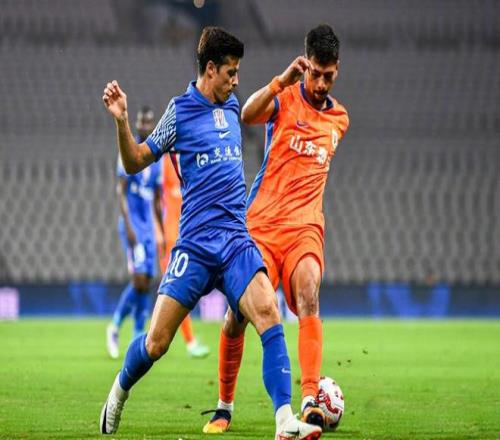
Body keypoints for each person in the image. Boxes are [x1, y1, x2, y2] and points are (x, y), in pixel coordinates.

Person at [99, 26, 322, 440]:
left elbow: (255, 107)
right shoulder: (179, 111)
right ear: (210, 69)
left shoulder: (233, 104)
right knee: (157, 343)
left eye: (238, 72)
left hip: (236, 240)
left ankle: (285, 419)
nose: (236, 80)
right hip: (196, 245)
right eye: (230, 72)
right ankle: (118, 393)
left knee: (269, 313)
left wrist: (283, 81)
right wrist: (123, 121)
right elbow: (135, 161)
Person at [203, 24, 349, 433]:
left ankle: (310, 400)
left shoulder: (340, 119)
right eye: (315, 74)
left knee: (309, 294)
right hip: (263, 224)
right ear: (306, 66)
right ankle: (224, 405)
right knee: (237, 316)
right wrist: (279, 82)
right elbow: (247, 114)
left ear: (337, 69)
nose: (321, 84)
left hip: (305, 227)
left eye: (329, 76)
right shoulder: (284, 98)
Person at [106, 107, 163, 359]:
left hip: (148, 228)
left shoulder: (156, 158)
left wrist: (161, 230)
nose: (145, 126)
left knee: (147, 281)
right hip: (133, 227)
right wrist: (128, 225)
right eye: (142, 122)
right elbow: (120, 191)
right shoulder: (128, 151)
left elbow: (157, 199)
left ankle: (137, 336)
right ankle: (115, 326)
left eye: (149, 122)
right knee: (139, 279)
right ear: (137, 124)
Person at [158, 154, 210, 358]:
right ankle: (189, 342)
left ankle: (123, 327)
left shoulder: (192, 158)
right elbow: (156, 197)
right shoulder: (165, 164)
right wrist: (158, 232)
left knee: (177, 290)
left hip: (189, 234)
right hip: (172, 237)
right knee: (174, 290)